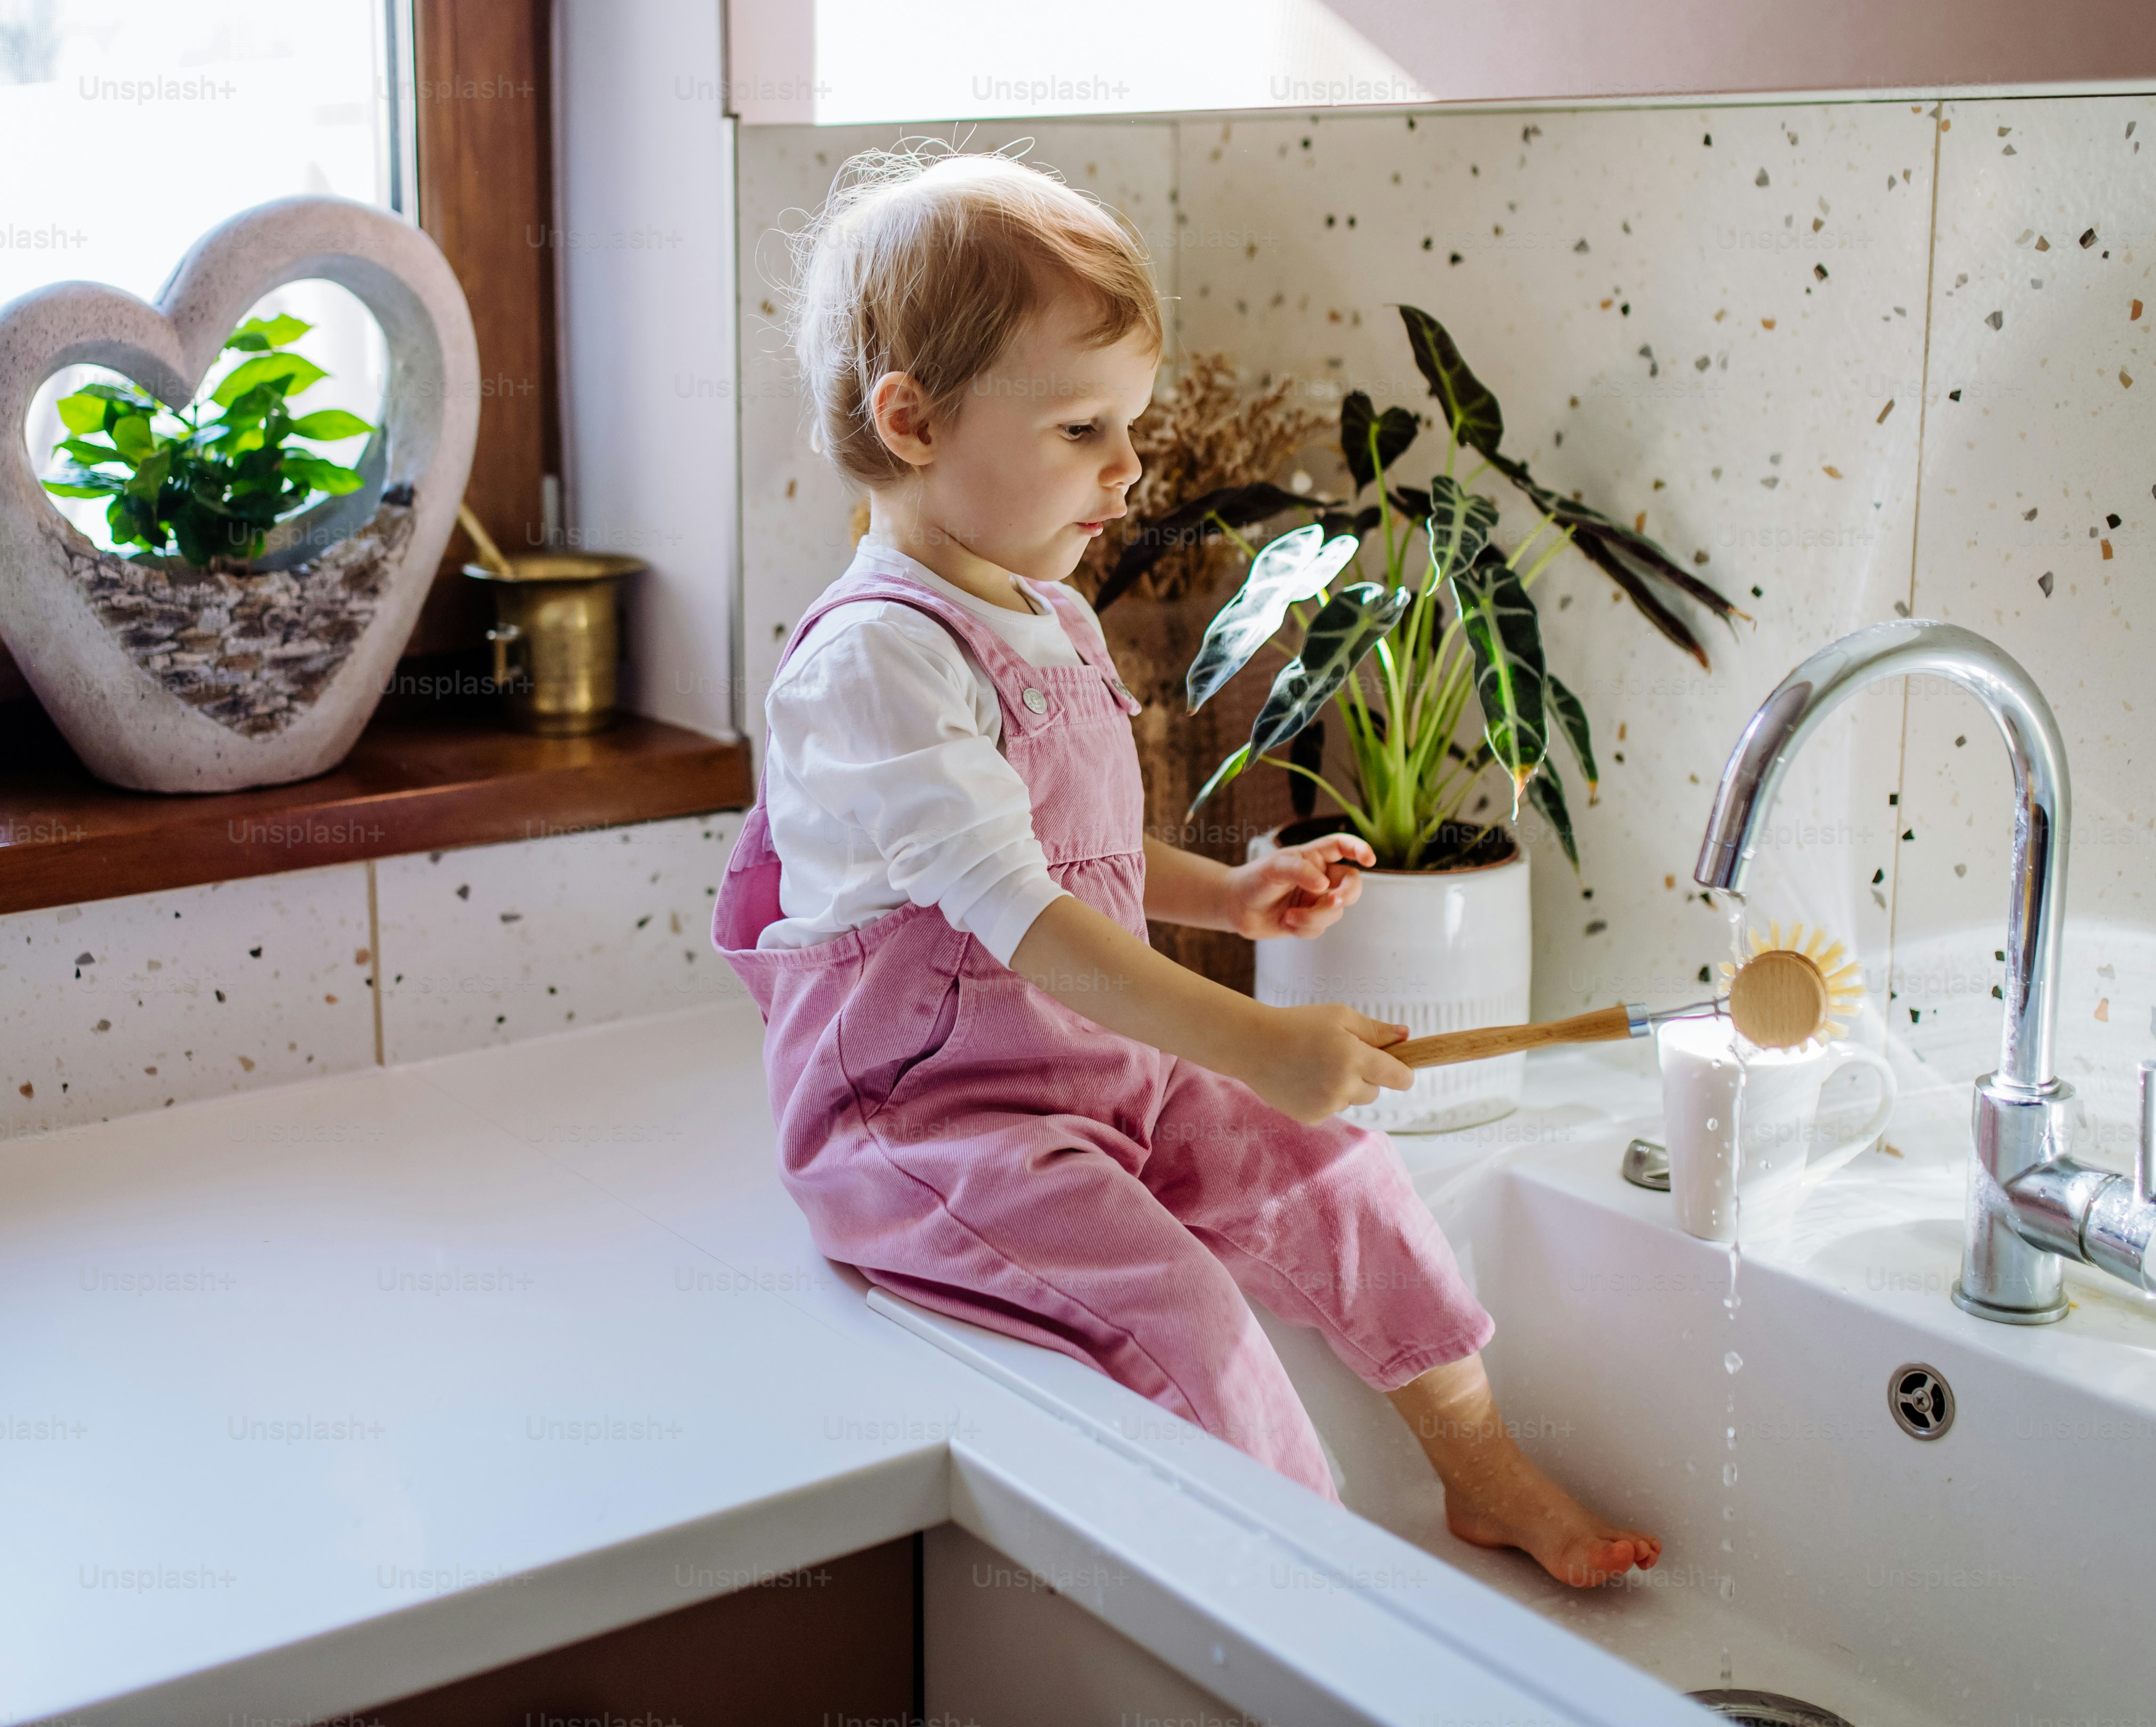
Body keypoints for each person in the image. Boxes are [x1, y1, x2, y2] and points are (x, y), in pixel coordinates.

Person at [709, 145, 1658, 1588]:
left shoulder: (1035, 606)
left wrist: (1222, 897)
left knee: (1331, 1163)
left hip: (1093, 1074)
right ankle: (1316, 1600)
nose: (1129, 467)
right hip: (934, 1130)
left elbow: (1060, 855)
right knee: (1185, 1316)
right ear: (912, 420)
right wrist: (1259, 1038)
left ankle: (1481, 1466)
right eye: (1086, 426)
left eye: (1129, 424)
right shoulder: (878, 663)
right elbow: (1019, 920)